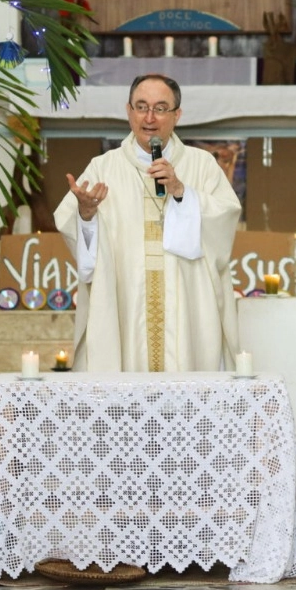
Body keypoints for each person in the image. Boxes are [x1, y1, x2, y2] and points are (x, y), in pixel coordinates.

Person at [55, 74, 241, 372]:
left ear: (177, 115)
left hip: (187, 306)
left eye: (160, 108)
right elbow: (79, 240)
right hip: (127, 305)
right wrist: (86, 215)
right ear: (128, 111)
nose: (150, 117)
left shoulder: (201, 164)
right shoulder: (103, 167)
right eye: (141, 107)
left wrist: (182, 193)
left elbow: (224, 221)